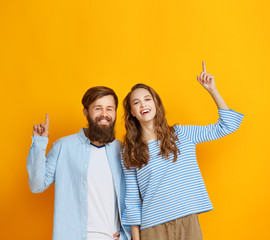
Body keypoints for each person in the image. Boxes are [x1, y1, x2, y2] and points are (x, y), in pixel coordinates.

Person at [120, 62, 244, 240]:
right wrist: (135, 238)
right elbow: (131, 198)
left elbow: (229, 125)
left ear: (156, 104)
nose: (143, 105)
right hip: (152, 227)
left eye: (147, 99)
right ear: (132, 111)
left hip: (187, 220)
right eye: (136, 102)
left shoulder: (182, 134)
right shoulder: (128, 151)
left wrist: (212, 90)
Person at [27, 86, 131, 240]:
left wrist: (125, 236)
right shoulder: (64, 146)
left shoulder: (123, 151)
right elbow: (36, 185)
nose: (104, 114)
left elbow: (134, 198)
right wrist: (40, 143)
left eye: (109, 109)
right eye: (98, 108)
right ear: (86, 112)